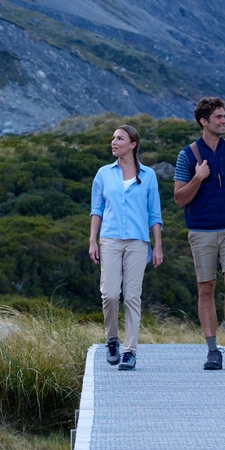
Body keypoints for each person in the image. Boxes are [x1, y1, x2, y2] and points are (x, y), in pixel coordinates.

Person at [172, 96, 225, 369]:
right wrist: (197, 178)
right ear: (204, 122)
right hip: (201, 229)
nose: (224, 121)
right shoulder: (188, 154)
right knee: (206, 287)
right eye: (218, 117)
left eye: (224, 115)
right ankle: (211, 350)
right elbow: (179, 198)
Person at [88, 122, 162, 371]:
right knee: (109, 295)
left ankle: (130, 351)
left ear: (133, 144)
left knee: (132, 297)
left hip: (138, 242)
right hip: (109, 239)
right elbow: (96, 209)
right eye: (113, 138)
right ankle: (112, 339)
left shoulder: (149, 175)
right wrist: (92, 240)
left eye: (119, 139)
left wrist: (158, 246)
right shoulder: (103, 174)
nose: (114, 142)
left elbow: (155, 214)